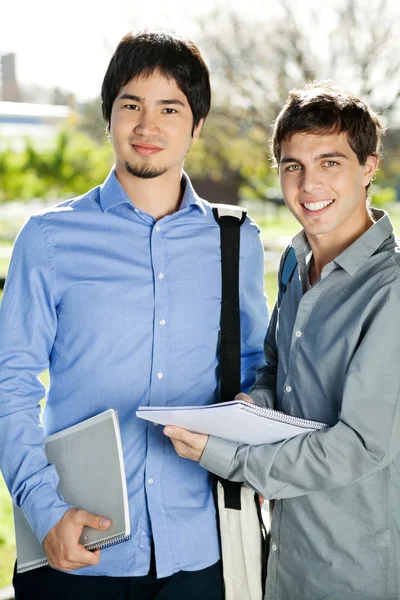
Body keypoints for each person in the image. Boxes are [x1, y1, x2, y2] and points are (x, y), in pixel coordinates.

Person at [0, 30, 268, 600]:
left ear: (196, 125)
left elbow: (253, 372)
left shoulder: (236, 240)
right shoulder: (48, 240)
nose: (148, 126)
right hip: (77, 549)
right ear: (109, 117)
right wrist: (45, 511)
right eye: (132, 105)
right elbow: (9, 383)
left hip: (201, 552)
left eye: (170, 108)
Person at [165, 82, 400, 599]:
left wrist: (225, 454)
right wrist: (250, 407)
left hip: (357, 573)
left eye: (330, 162)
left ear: (368, 167)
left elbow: (358, 447)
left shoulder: (392, 290)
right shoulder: (296, 264)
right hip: (288, 560)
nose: (309, 183)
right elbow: (279, 373)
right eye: (293, 165)